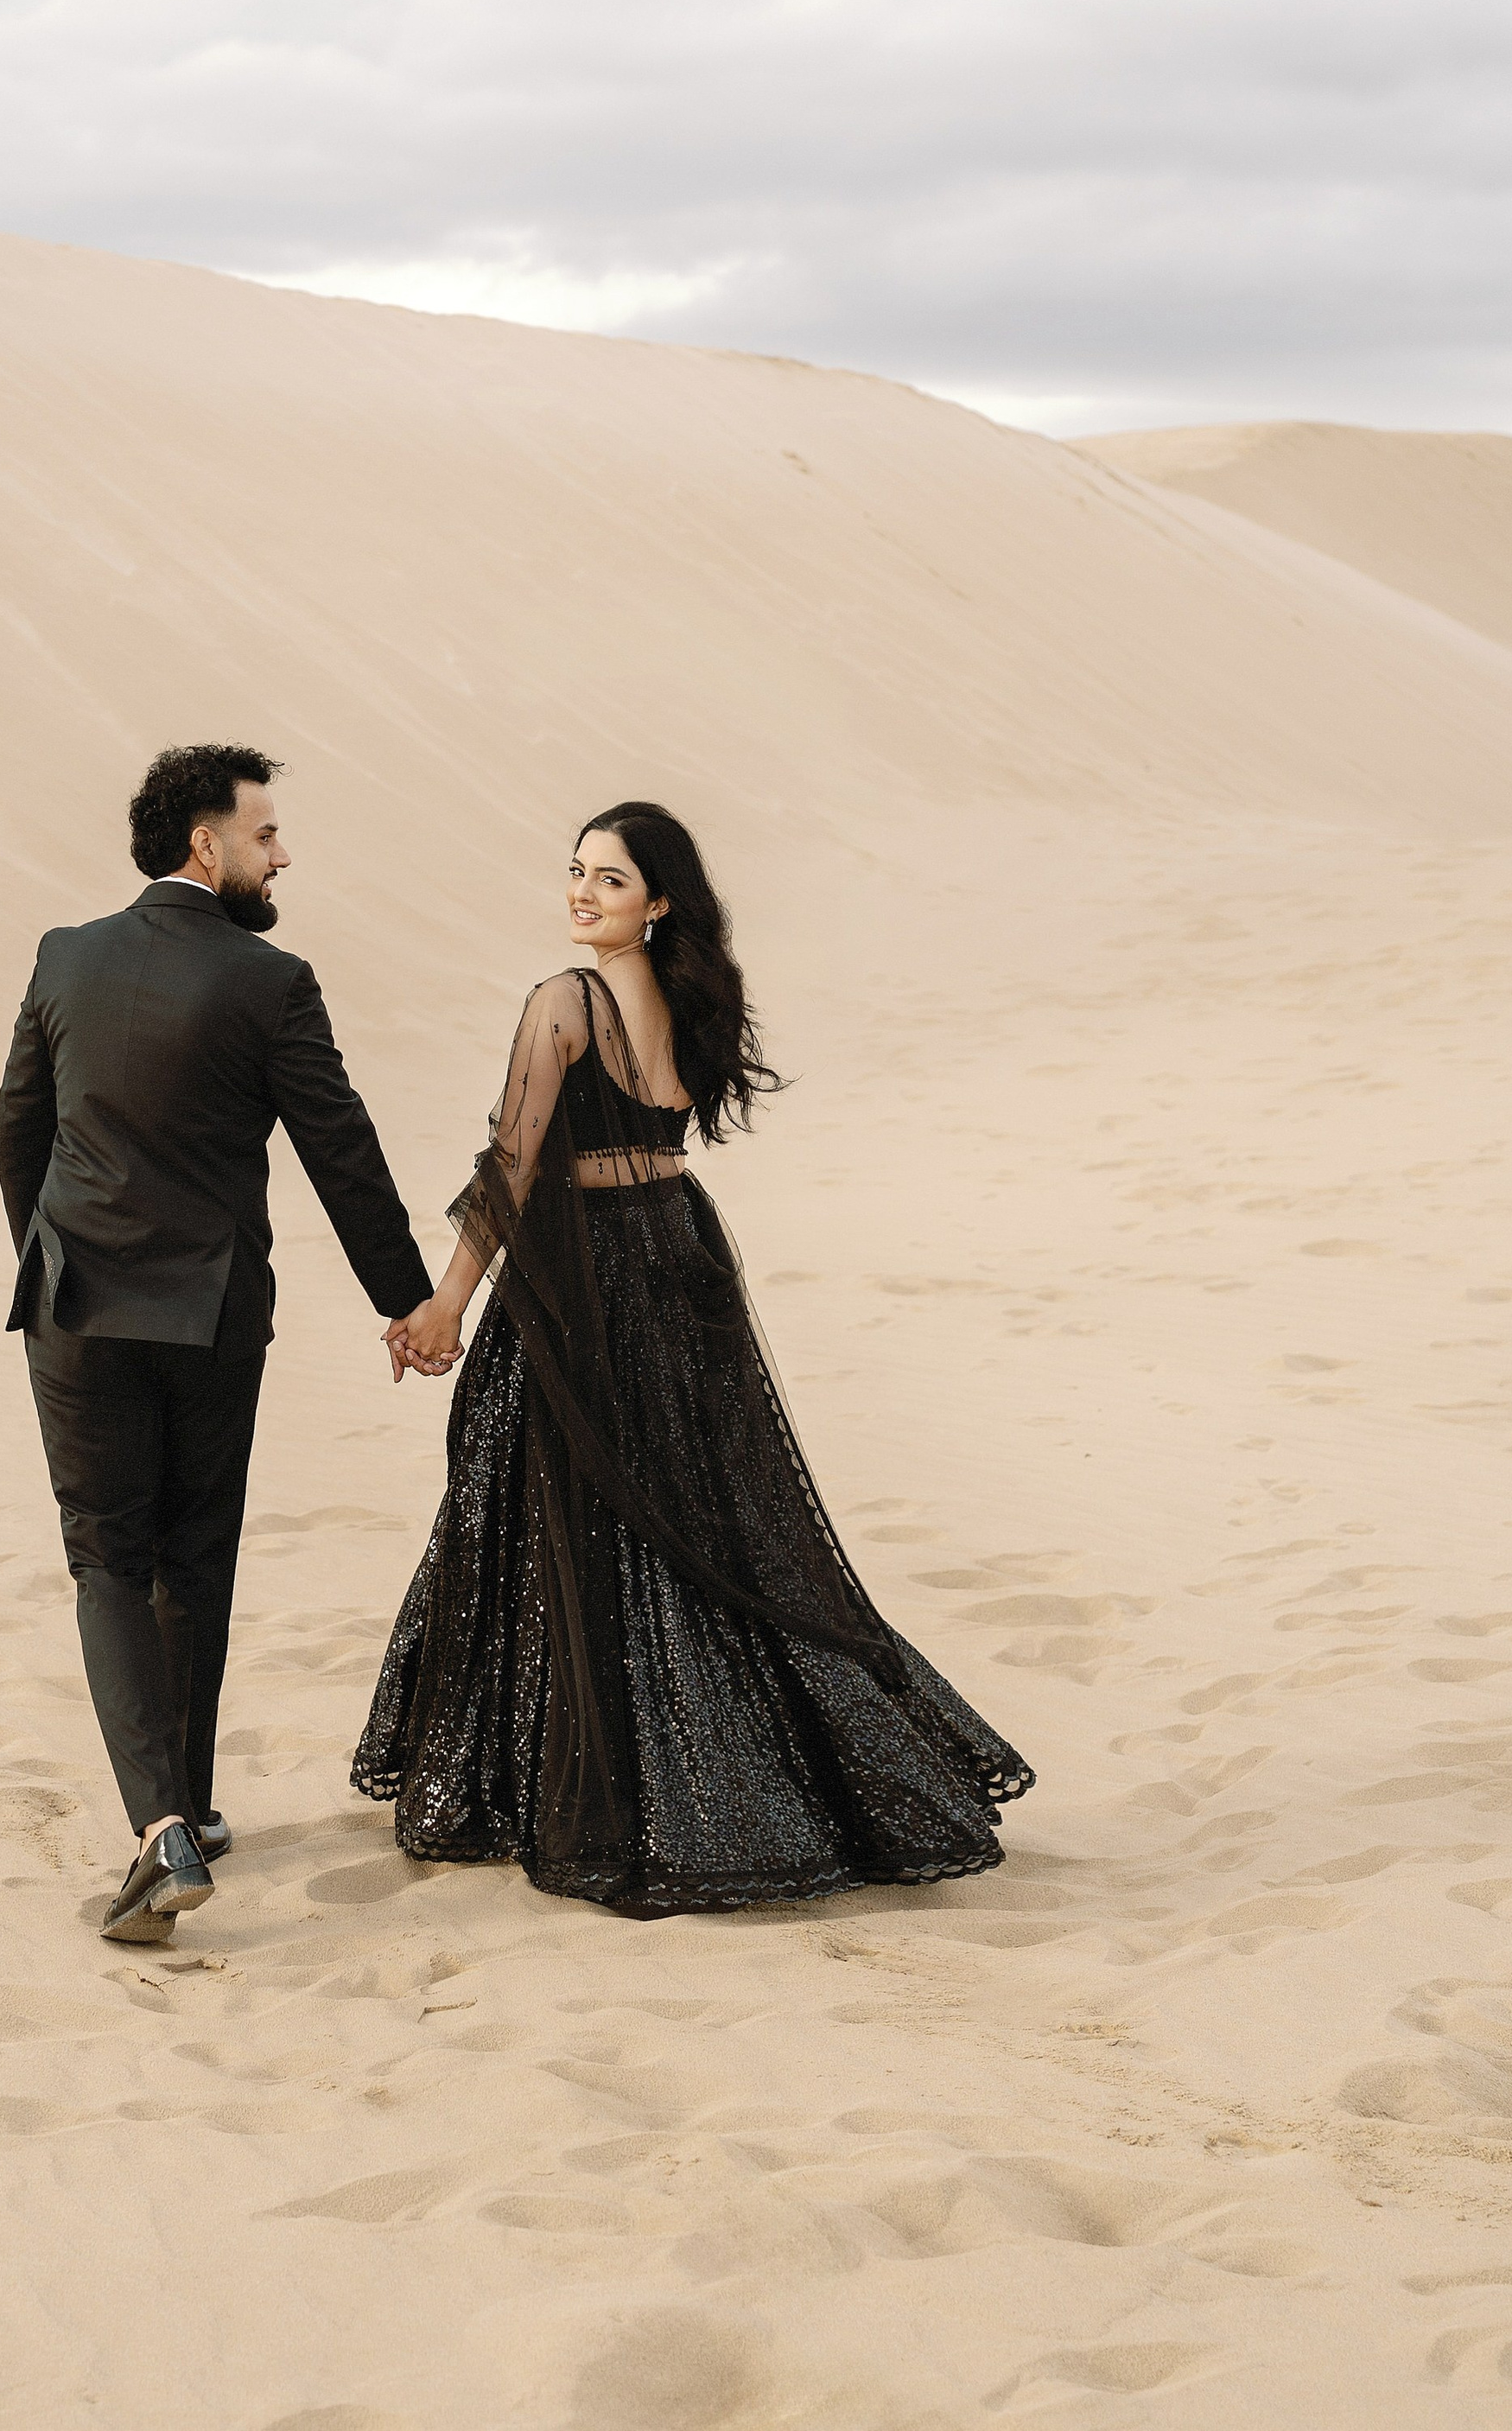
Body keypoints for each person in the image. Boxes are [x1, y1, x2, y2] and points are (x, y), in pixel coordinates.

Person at [355, 800, 1032, 1915]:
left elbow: (513, 1166)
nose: (581, 893)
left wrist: (444, 1306)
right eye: (575, 872)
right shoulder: (693, 998)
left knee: (554, 1502)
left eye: (610, 881)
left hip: (589, 1273)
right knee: (706, 1507)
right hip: (676, 1248)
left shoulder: (562, 1002)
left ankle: (581, 1784)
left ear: (658, 901)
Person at [0, 744, 434, 1947]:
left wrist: (52, 1262)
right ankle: (173, 1814)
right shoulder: (270, 980)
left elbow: (20, 1132)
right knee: (191, 1556)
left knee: (103, 1558)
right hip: (210, 1314)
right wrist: (406, 1298)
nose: (282, 853)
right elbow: (340, 1150)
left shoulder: (64, 957)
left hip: (78, 1307)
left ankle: (165, 1823)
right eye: (266, 834)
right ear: (208, 845)